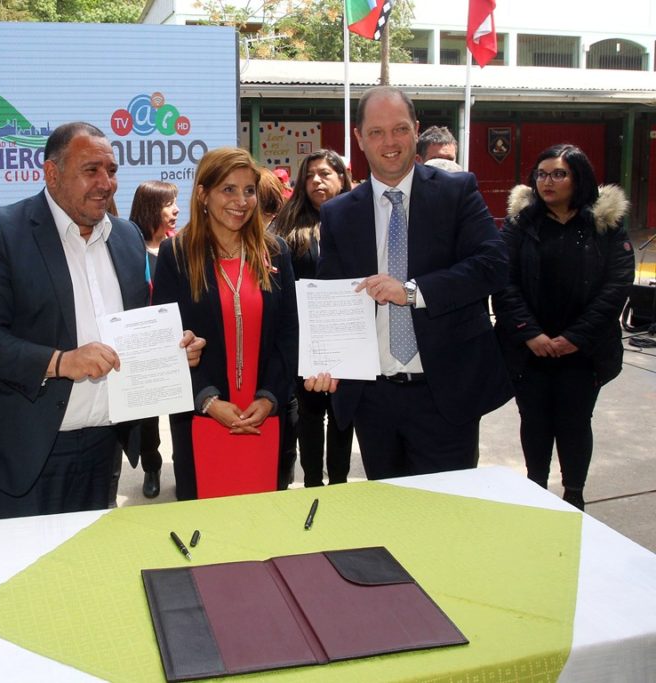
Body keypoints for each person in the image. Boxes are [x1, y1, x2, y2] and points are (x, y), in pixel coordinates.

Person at [0, 122, 204, 519]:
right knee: (28, 559)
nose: (106, 183)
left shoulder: (127, 236)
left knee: (90, 557)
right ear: (52, 173)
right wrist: (60, 362)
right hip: (28, 449)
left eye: (112, 170)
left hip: (104, 447)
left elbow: (135, 326)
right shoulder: (2, 231)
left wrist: (172, 348)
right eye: (91, 170)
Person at [318, 86, 511, 480]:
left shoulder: (457, 191)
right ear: (359, 138)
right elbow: (329, 298)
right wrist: (324, 360)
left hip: (445, 395)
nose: (389, 142)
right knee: (389, 510)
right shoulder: (338, 214)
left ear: (416, 130)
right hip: (373, 399)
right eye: (376, 132)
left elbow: (493, 265)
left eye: (400, 129)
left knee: (448, 509)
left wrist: (412, 292)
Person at [152, 146, 312, 500]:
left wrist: (269, 398)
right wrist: (208, 401)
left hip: (264, 418)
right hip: (202, 417)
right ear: (203, 194)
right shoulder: (176, 254)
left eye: (249, 190)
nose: (241, 201)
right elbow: (167, 342)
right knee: (206, 527)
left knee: (267, 520)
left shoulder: (276, 252)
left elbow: (289, 334)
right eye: (229, 189)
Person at [493, 144, 633, 510]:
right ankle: (536, 490)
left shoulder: (604, 224)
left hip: (584, 352)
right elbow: (503, 282)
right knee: (534, 422)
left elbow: (617, 285)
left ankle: (574, 496)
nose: (547, 182)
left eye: (559, 174)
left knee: (575, 423)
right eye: (541, 174)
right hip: (530, 351)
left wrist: (576, 337)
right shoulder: (520, 224)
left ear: (578, 178)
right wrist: (530, 333)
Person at [271, 149, 356, 487]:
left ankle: (339, 483)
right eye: (309, 176)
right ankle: (311, 483)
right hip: (305, 337)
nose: (316, 181)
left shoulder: (359, 220)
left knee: (342, 414)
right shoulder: (288, 226)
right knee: (309, 414)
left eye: (325, 174)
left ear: (342, 178)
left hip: (348, 334)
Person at [128, 180, 180, 498]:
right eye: (169, 204)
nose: (176, 210)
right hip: (143, 345)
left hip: (178, 343)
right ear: (151, 208)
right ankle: (152, 466)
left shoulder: (179, 247)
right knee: (147, 419)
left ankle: (183, 467)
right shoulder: (129, 248)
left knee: (181, 412)